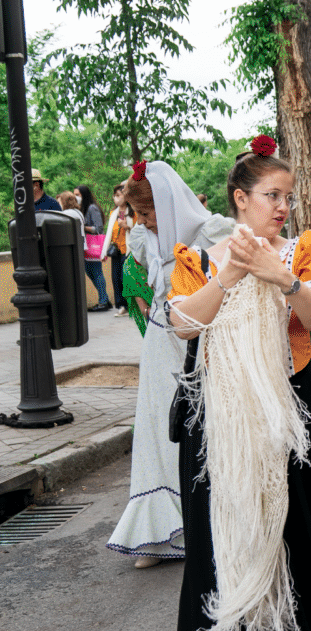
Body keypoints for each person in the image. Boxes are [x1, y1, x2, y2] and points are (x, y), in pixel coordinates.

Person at [167, 136, 311, 631]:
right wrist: (234, 273)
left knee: (298, 518)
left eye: (288, 196)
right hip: (223, 412)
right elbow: (184, 324)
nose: (284, 206)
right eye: (271, 195)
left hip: (295, 399)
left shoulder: (301, 250)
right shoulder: (197, 260)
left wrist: (279, 276)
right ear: (240, 199)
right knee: (231, 517)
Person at [106, 161, 235, 568]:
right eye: (137, 214)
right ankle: (160, 534)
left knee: (213, 427)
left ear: (168, 201)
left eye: (147, 213)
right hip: (161, 348)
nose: (142, 222)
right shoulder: (144, 237)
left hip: (205, 344)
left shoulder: (212, 231)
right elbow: (137, 275)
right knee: (158, 432)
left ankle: (217, 523)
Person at [75, 185, 113, 312]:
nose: (76, 198)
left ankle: (103, 302)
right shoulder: (82, 209)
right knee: (90, 272)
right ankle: (105, 300)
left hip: (94, 245)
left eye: (78, 195)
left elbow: (99, 228)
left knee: (97, 273)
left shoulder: (92, 208)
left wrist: (82, 227)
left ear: (84, 195)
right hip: (86, 247)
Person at [105, 182, 133, 317]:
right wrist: (104, 251)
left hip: (128, 250)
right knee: (115, 278)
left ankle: (130, 304)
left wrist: (127, 226)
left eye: (118, 195)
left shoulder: (132, 212)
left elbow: (139, 231)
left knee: (125, 278)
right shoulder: (113, 213)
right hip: (116, 250)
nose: (115, 198)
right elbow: (109, 233)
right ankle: (121, 305)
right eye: (114, 195)